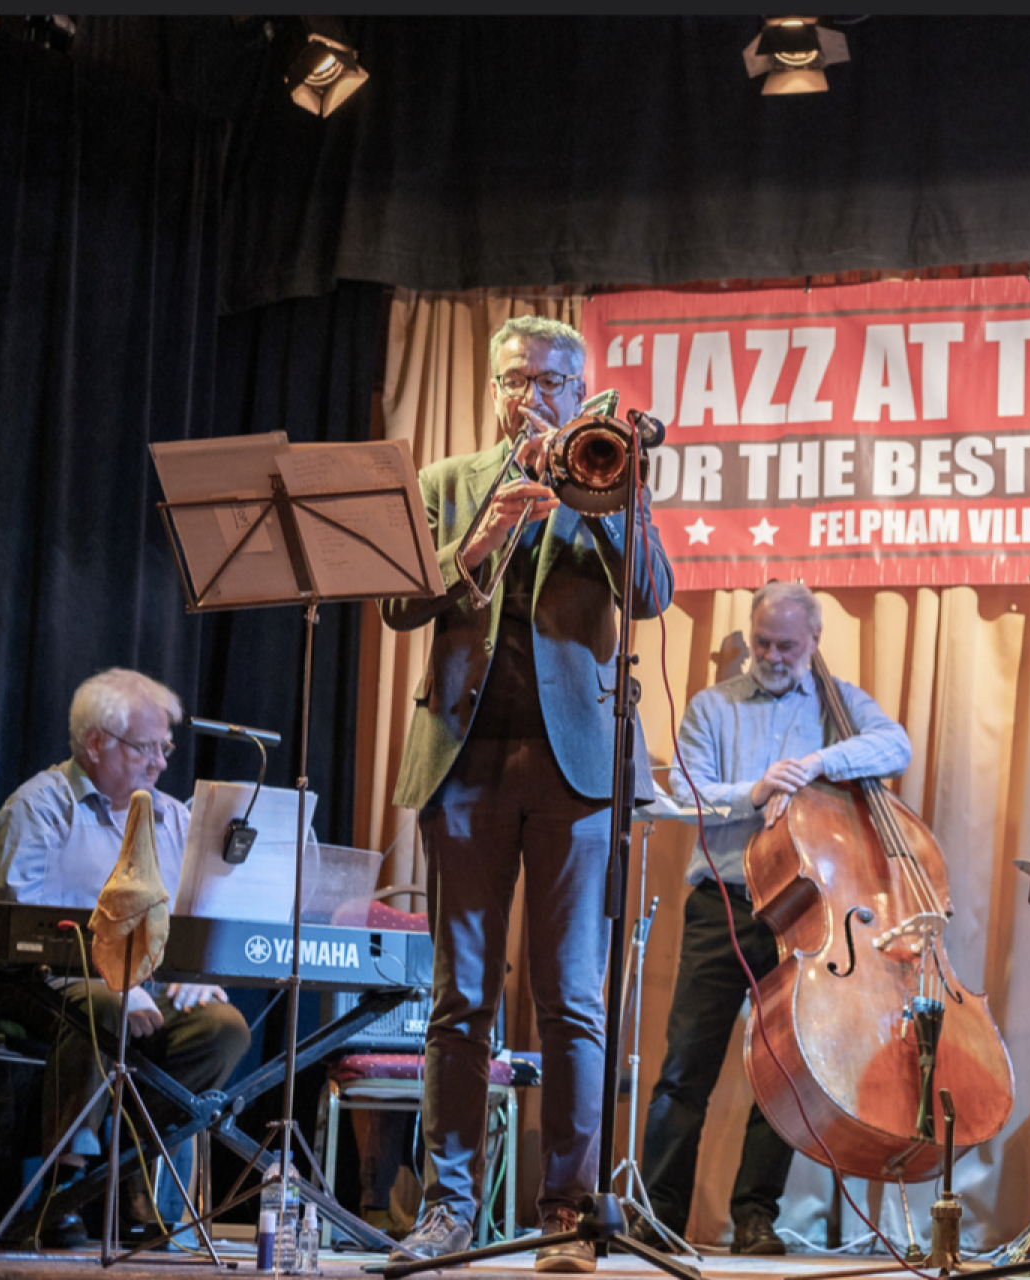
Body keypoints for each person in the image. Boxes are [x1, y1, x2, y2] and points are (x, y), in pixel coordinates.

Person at [380, 314, 674, 1272]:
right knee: (459, 999)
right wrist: (481, 537)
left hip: (573, 773)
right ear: (495, 386)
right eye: (514, 380)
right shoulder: (445, 485)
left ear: (578, 389)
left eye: (549, 382)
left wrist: (603, 500)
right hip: (461, 762)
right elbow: (396, 601)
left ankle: (567, 1215)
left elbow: (654, 595)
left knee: (571, 1002)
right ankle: (449, 1212)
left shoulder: (604, 468)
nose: (529, 398)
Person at [635, 581, 911, 1256]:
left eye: (786, 644)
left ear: (813, 642)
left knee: (785, 1074)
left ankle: (756, 1217)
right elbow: (686, 791)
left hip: (803, 914)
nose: (771, 654)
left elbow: (894, 746)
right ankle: (659, 1216)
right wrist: (752, 791)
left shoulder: (838, 704)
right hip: (722, 902)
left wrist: (818, 763)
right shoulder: (712, 705)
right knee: (684, 1071)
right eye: (761, 641)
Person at [0, 668, 252, 1248]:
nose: (160, 762)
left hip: (143, 989)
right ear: (94, 742)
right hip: (41, 986)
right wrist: (116, 979)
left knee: (223, 1029)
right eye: (146, 747)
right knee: (102, 1010)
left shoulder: (172, 820)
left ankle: (123, 1171)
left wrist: (194, 978)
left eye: (164, 747)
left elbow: (192, 920)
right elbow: (14, 934)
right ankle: (62, 1187)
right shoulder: (40, 809)